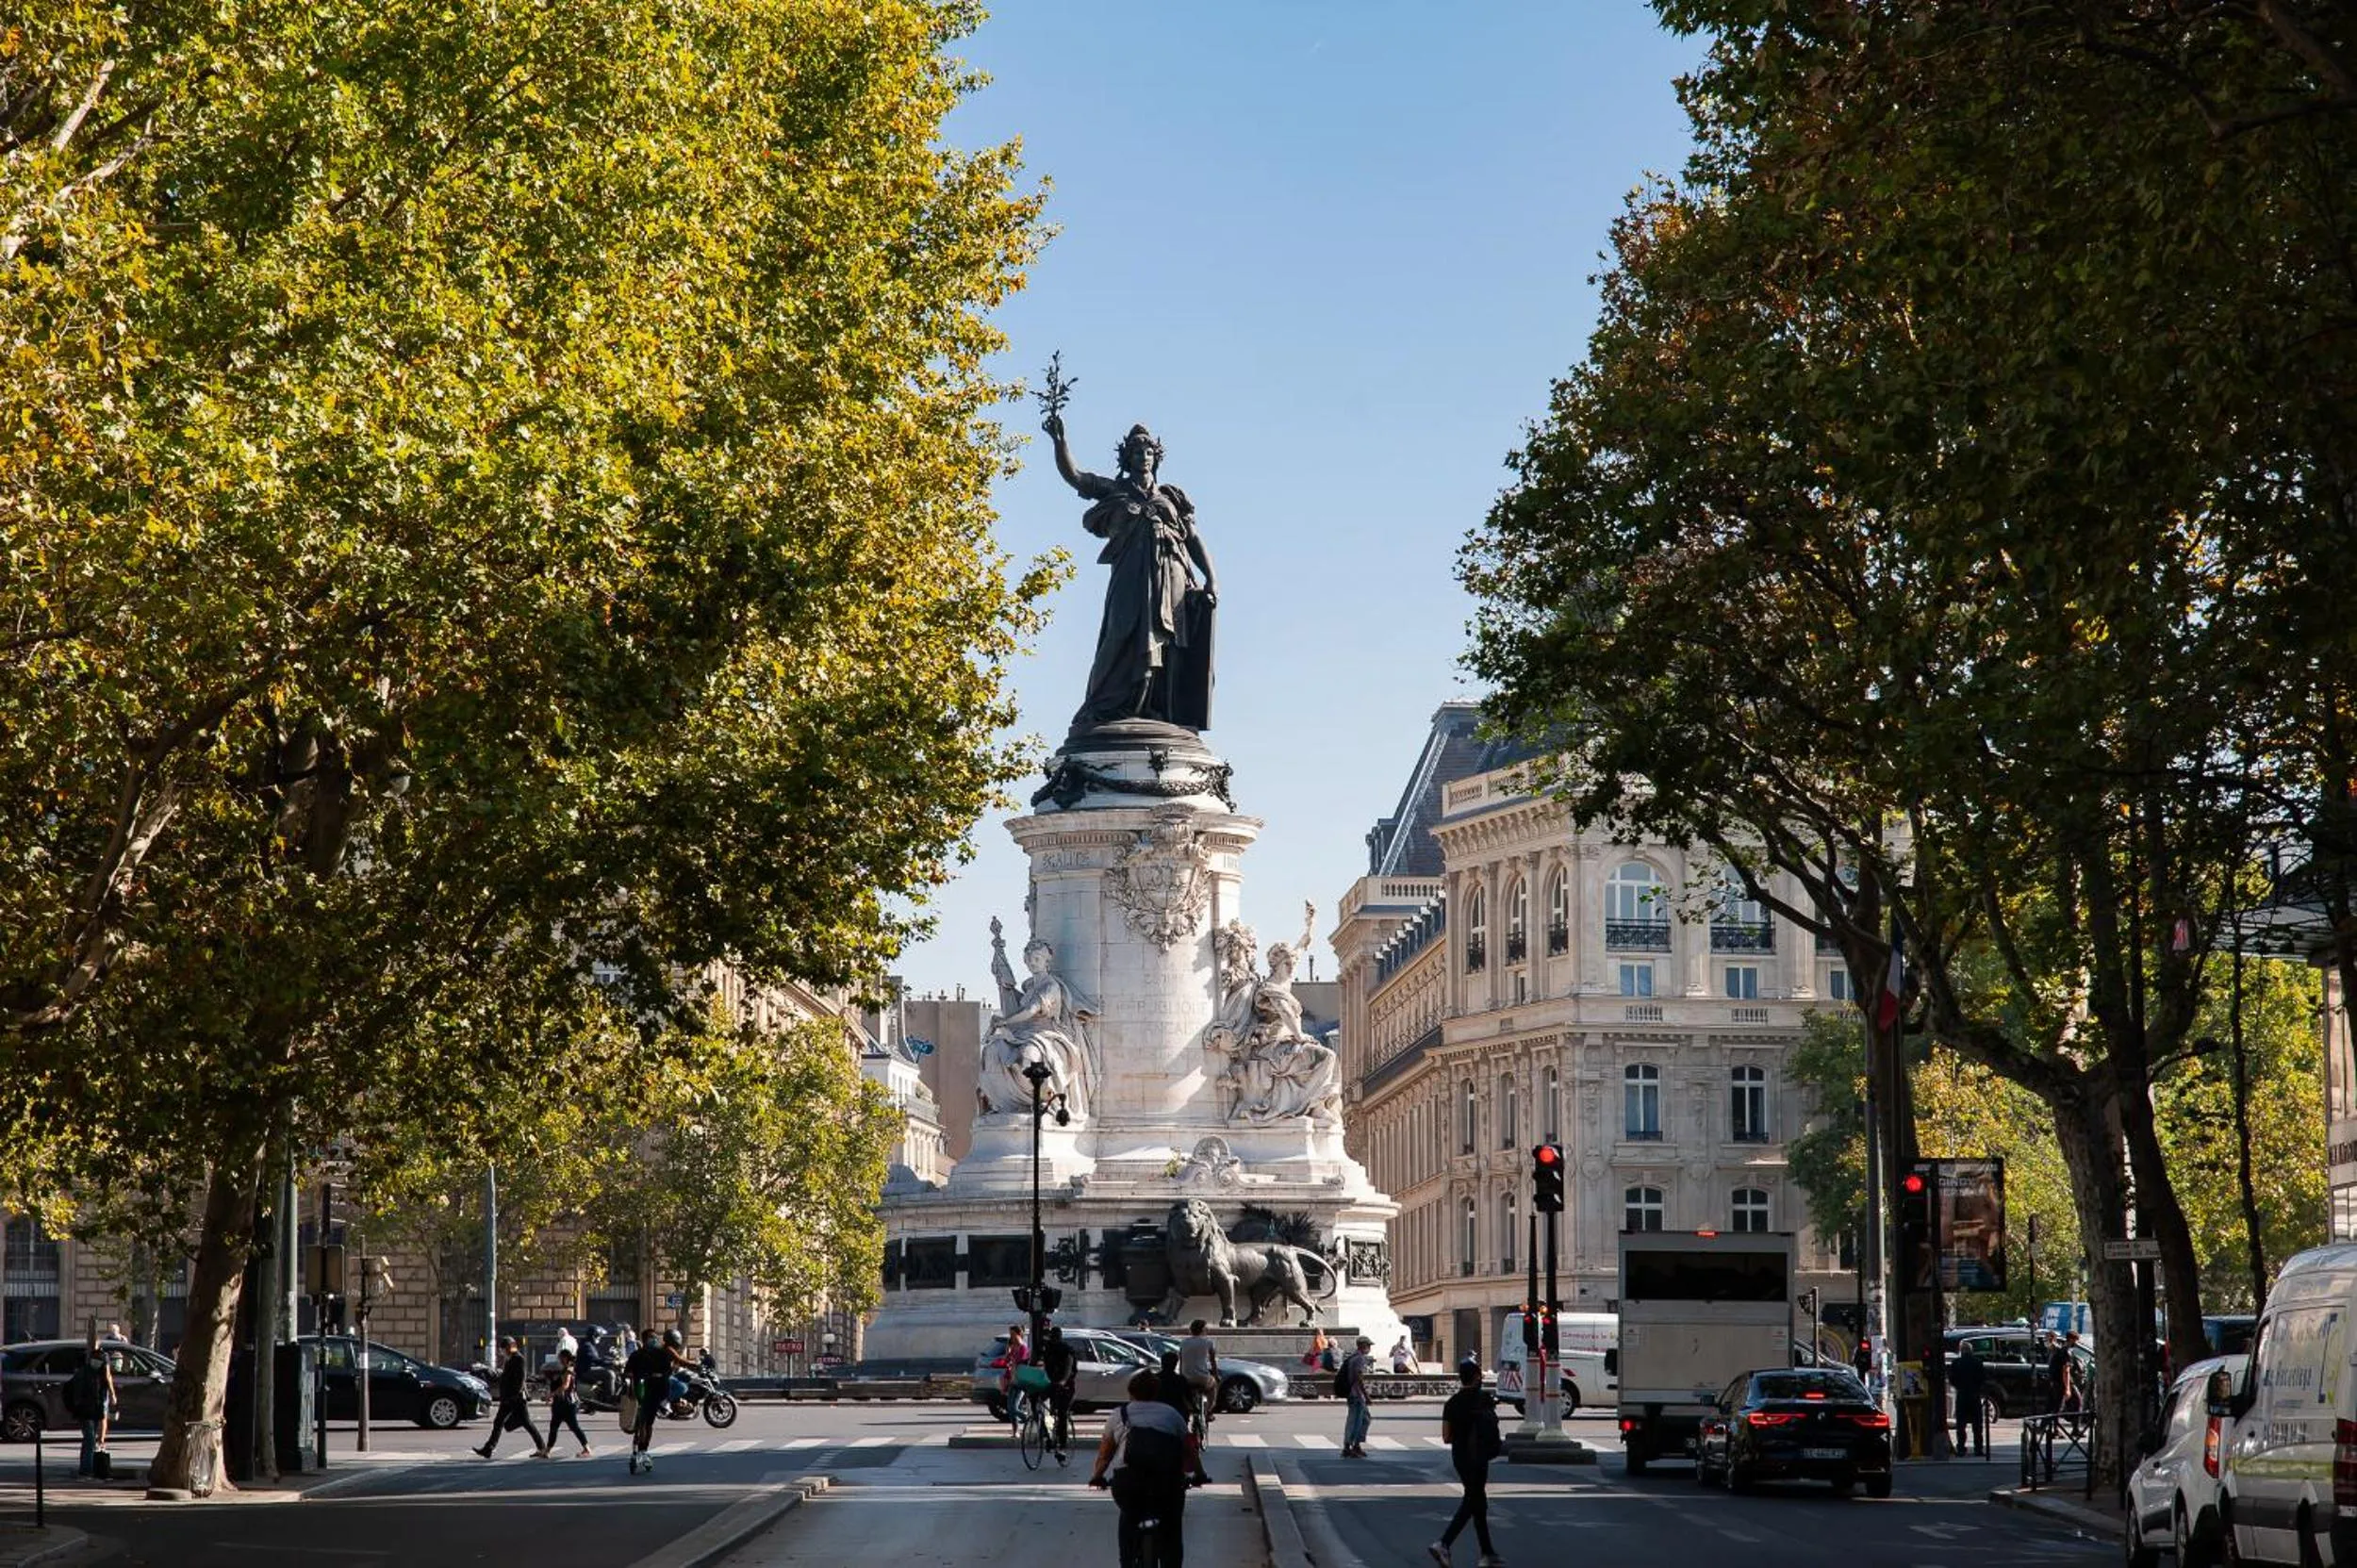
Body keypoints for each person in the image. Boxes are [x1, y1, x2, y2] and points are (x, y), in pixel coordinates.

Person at [1089, 1369, 1198, 1568]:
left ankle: (1127, 1561)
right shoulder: (1171, 1414)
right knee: (1172, 1528)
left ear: (1131, 1393)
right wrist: (1198, 1474)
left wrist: (1097, 1476)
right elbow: (1189, 1450)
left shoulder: (1119, 1415)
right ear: (1156, 1392)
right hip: (1167, 1482)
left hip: (1129, 1483)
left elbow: (1105, 1454)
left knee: (1128, 1518)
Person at [1430, 1358, 1505, 1567]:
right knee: (1474, 1501)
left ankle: (1487, 1553)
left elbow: (1446, 1436)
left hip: (1461, 1458)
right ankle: (1443, 1543)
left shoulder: (1452, 1403)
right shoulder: (1484, 1399)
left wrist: (1461, 1435)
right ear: (1477, 1377)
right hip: (1480, 1457)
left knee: (1477, 1501)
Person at [476, 1336, 551, 1460]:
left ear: (508, 1348)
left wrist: (514, 1395)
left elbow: (521, 1379)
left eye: (503, 1349)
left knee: (524, 1423)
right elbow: (505, 1377)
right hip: (507, 1398)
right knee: (500, 1422)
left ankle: (542, 1448)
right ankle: (488, 1449)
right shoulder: (509, 1359)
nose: (501, 1352)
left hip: (516, 1398)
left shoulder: (519, 1359)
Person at [622, 1331, 680, 1474]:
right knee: (645, 1424)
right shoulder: (652, 1354)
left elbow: (627, 1373)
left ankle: (640, 1451)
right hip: (648, 1391)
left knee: (644, 1424)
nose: (654, 1340)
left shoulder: (644, 1354)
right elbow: (669, 1370)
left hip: (646, 1391)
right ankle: (641, 1451)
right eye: (652, 1338)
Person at [66, 1338, 115, 1477]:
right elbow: (81, 1394)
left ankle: (86, 1467)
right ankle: (87, 1469)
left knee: (88, 1439)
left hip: (90, 1411)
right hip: (86, 1411)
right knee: (89, 1440)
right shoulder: (87, 1374)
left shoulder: (95, 1375)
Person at [1040, 1325, 1080, 1463]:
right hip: (1052, 1384)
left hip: (1066, 1386)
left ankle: (1062, 1447)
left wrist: (1063, 1380)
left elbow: (1069, 1367)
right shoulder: (1048, 1349)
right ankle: (1047, 1435)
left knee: (1062, 1414)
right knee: (1038, 1403)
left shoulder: (1066, 1350)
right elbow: (1041, 1365)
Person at [548, 1348, 592, 1459]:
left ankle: (587, 1448)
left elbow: (566, 1385)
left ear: (565, 1358)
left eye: (560, 1358)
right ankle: (547, 1450)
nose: (559, 1360)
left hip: (568, 1403)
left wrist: (552, 1394)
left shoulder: (568, 1370)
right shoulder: (565, 1369)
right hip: (561, 1403)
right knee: (554, 1425)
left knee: (574, 1426)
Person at [1178, 1318, 1220, 1432]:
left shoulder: (1184, 1342)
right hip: (1202, 1378)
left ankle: (1190, 1409)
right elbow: (1213, 1361)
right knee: (1213, 1385)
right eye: (1206, 1328)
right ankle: (1209, 1411)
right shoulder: (1208, 1342)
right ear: (1202, 1330)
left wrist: (1182, 1375)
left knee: (1186, 1395)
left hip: (1187, 1378)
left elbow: (1181, 1360)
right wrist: (1216, 1375)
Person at [1949, 1340, 1987, 1459]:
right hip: (1974, 1395)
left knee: (1961, 1424)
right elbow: (1982, 1378)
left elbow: (1952, 1379)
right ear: (1971, 1351)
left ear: (1961, 1351)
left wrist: (1959, 1386)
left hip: (1962, 1395)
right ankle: (1978, 1448)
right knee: (1977, 1424)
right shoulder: (1977, 1362)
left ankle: (1961, 1448)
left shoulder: (1956, 1363)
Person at [1340, 1336, 1375, 1459]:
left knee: (1364, 1419)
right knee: (1356, 1422)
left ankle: (1354, 1446)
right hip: (1357, 1395)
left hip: (1353, 1394)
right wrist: (1366, 1395)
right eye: (1368, 1346)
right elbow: (1359, 1378)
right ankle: (1351, 1446)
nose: (1369, 1348)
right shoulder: (1359, 1359)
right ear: (1363, 1346)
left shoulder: (1352, 1357)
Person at [999, 1323, 1030, 1427]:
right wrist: (1008, 1351)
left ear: (1019, 1334)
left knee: (1014, 1408)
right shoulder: (1013, 1347)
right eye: (1010, 1334)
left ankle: (1028, 1419)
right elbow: (1007, 1361)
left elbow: (1019, 1363)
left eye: (1013, 1334)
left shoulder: (1023, 1348)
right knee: (1010, 1408)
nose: (1011, 1337)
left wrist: (1013, 1362)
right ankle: (1015, 1430)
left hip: (1020, 1381)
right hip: (1012, 1380)